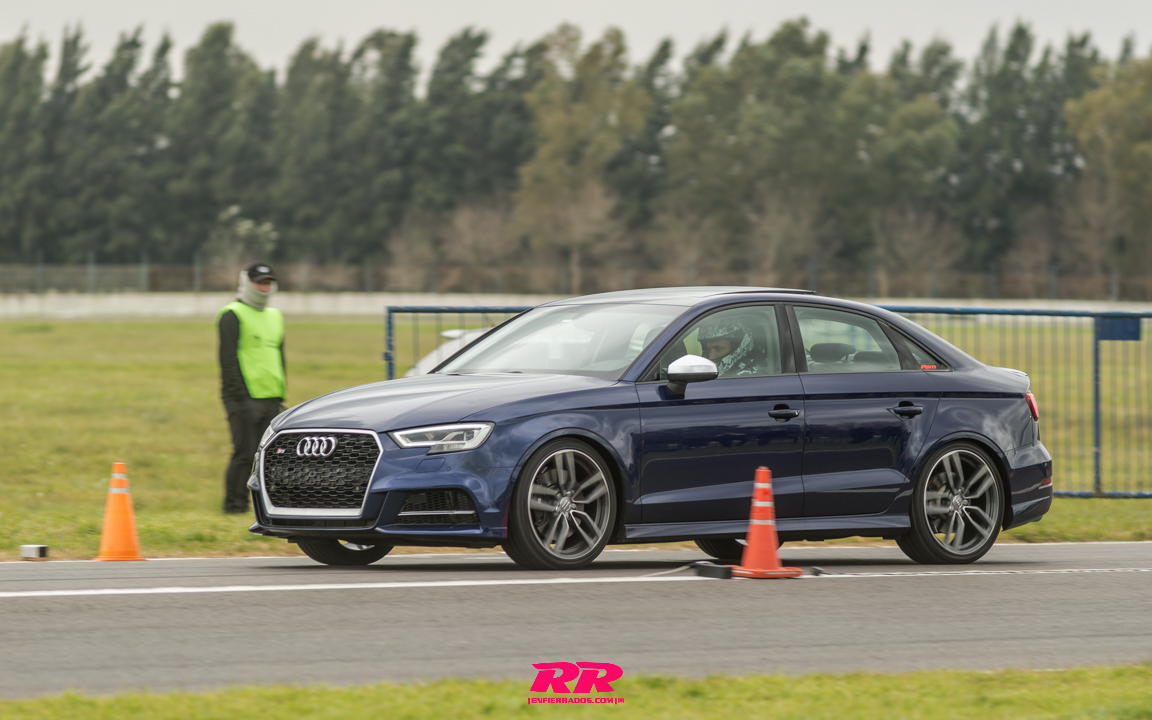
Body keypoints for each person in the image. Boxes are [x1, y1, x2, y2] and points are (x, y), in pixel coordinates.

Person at [217, 263, 285, 514]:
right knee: (245, 453)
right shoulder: (232, 314)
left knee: (269, 456)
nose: (264, 287)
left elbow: (279, 356)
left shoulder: (275, 316)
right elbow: (228, 359)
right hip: (243, 397)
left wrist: (281, 393)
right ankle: (234, 506)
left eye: (268, 282)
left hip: (271, 396)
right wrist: (239, 397)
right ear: (247, 283)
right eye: (259, 282)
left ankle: (265, 506)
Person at [697, 317, 765, 378]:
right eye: (709, 350)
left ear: (737, 346)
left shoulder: (753, 375)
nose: (711, 356)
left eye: (718, 349)